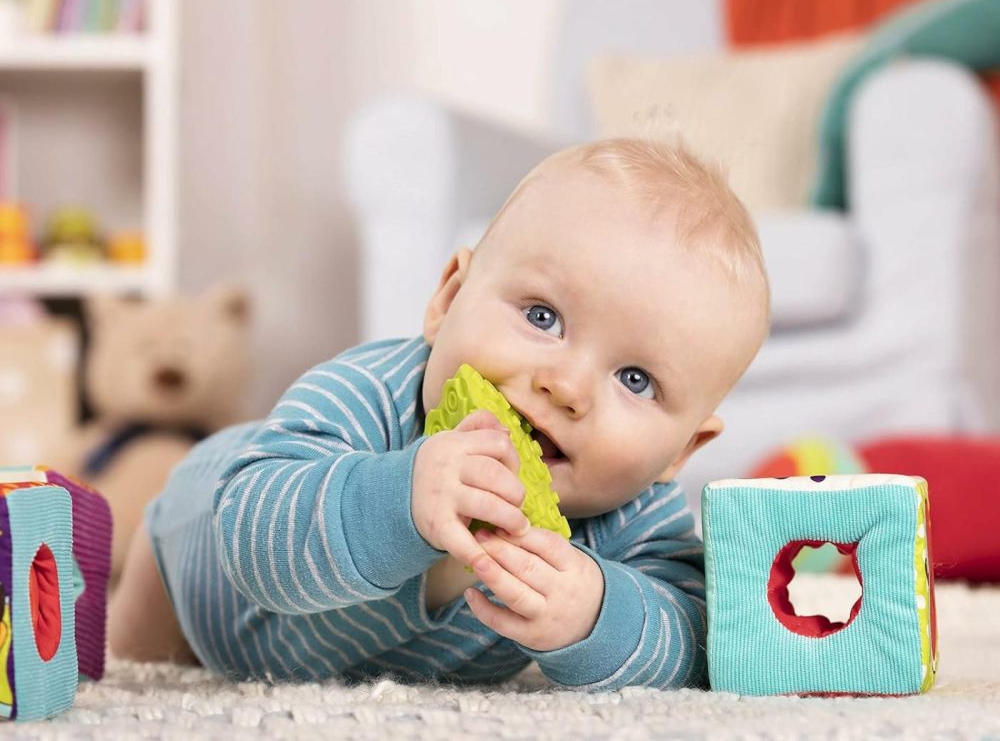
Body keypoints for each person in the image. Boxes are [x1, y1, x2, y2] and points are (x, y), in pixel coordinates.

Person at [108, 137, 771, 690]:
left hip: (350, 671)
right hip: (190, 569)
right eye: (542, 317)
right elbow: (250, 536)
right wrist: (400, 499)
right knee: (122, 678)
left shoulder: (628, 515)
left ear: (679, 454)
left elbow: (697, 640)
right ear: (449, 298)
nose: (566, 386)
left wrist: (599, 612)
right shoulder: (367, 395)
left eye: (635, 379)